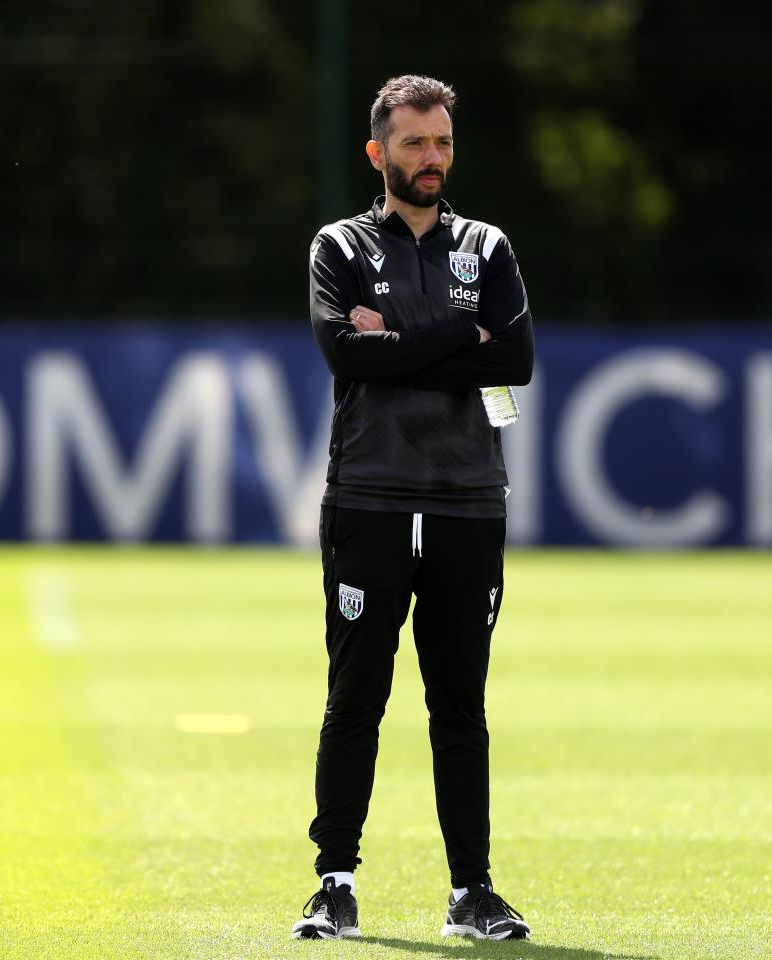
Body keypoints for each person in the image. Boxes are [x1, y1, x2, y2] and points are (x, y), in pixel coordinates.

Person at [291, 75, 534, 942]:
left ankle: (473, 892)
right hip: (371, 497)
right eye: (414, 143)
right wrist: (460, 338)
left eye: (443, 143)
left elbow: (516, 360)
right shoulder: (341, 246)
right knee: (355, 698)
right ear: (378, 153)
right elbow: (345, 354)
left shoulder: (488, 246)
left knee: (460, 706)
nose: (432, 158)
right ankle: (334, 885)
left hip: (469, 501)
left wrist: (394, 343)